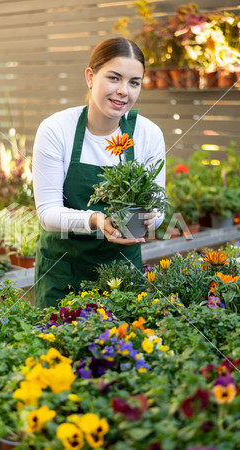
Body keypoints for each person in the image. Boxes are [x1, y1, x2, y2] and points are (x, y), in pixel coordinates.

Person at [32, 37, 166, 308]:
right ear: (90, 77)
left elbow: (158, 205)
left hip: (122, 273)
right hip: (63, 272)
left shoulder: (148, 134)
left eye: (134, 82)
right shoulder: (57, 129)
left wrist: (153, 218)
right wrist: (97, 219)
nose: (124, 91)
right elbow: (47, 214)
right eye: (114, 78)